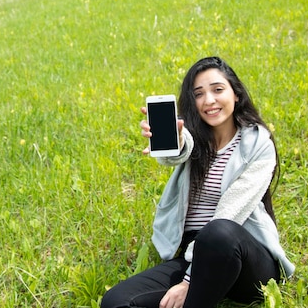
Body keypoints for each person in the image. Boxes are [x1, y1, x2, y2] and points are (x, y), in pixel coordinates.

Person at [101, 56, 295, 308]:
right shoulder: (193, 139)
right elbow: (180, 150)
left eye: (217, 90)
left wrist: (188, 281)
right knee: (116, 302)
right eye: (199, 94)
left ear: (236, 94)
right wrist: (174, 140)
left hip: (246, 259)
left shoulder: (258, 145)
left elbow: (232, 212)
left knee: (217, 232)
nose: (209, 101)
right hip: (197, 254)